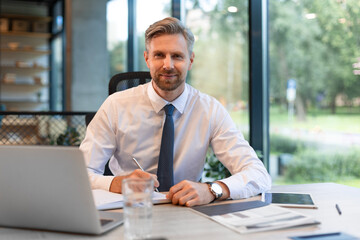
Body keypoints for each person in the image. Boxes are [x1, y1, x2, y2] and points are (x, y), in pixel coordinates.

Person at [80, 17, 271, 207]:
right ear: (147, 59)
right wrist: (115, 183)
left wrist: (212, 189)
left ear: (190, 60)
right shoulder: (116, 105)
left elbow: (258, 174)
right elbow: (80, 173)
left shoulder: (210, 109)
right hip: (131, 211)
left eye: (177, 56)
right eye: (159, 55)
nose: (168, 65)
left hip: (188, 210)